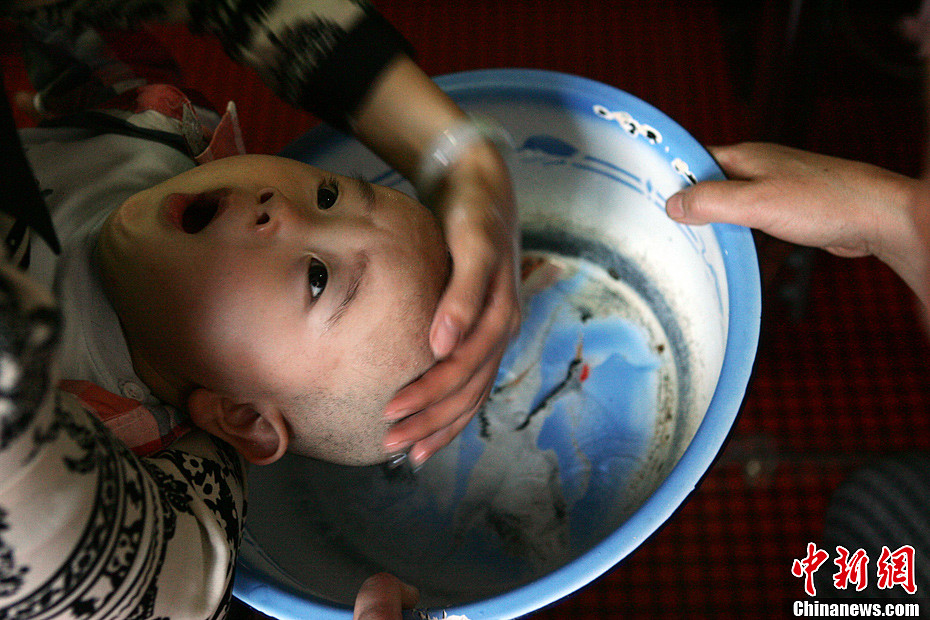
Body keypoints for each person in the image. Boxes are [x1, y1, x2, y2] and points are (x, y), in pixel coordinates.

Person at [0, 3, 519, 619]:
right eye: (329, 194)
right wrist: (452, 151)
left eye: (318, 278)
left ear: (241, 416)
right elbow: (75, 32)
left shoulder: (127, 477)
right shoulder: (165, 133)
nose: (286, 207)